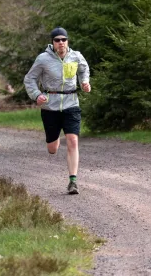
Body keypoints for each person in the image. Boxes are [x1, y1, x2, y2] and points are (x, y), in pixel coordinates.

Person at [24, 27, 91, 195]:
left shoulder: (76, 56)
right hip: (50, 106)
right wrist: (36, 95)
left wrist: (84, 82)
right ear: (52, 43)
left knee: (73, 141)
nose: (61, 42)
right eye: (57, 40)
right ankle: (54, 140)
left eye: (63, 39)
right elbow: (30, 78)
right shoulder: (43, 59)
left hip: (71, 104)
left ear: (67, 41)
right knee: (52, 148)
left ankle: (73, 181)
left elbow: (84, 70)